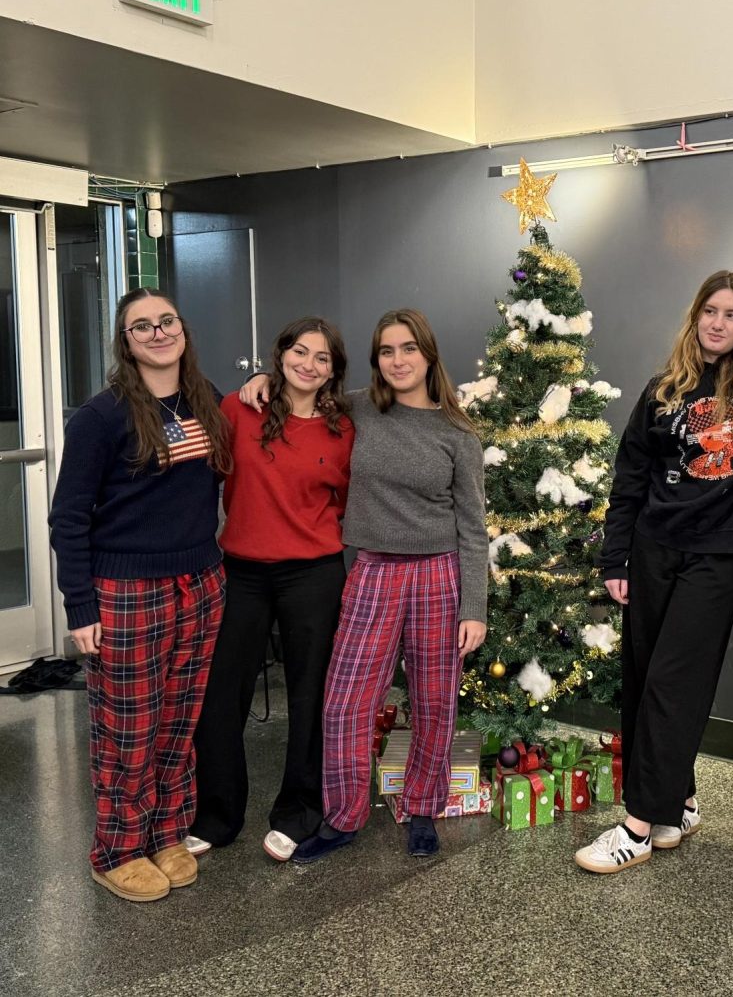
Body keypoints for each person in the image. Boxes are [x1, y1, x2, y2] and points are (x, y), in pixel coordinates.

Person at [242, 309, 487, 861]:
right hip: (374, 570)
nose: (397, 361)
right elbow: (304, 389)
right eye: (386, 351)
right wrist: (264, 379)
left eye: (408, 349)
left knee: (435, 701)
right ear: (376, 360)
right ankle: (345, 816)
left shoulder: (458, 434)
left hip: (438, 575)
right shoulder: (357, 408)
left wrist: (475, 606)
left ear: (428, 355)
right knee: (345, 704)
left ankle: (423, 806)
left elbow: (473, 527)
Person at [575, 270, 733, 874]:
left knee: (676, 683)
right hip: (652, 550)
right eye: (710, 311)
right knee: (644, 680)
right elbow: (630, 477)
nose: (719, 323)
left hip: (717, 557)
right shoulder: (665, 389)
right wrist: (616, 558)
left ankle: (638, 826)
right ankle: (678, 801)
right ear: (696, 317)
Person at [48, 288, 231, 902]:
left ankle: (167, 832)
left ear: (183, 329)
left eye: (167, 321)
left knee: (180, 721)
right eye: (142, 326)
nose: (158, 333)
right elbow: (68, 517)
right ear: (126, 342)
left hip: (201, 582)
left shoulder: (207, 402)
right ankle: (118, 848)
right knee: (130, 727)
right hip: (126, 590)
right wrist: (80, 605)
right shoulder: (100, 418)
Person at [187, 318, 353, 862]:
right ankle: (216, 815)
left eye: (322, 358)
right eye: (299, 351)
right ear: (279, 356)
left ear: (333, 370)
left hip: (314, 572)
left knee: (309, 695)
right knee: (220, 695)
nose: (309, 363)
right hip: (241, 571)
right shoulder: (240, 408)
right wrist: (254, 380)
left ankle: (299, 810)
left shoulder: (344, 427)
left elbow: (351, 501)